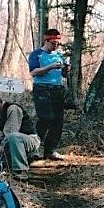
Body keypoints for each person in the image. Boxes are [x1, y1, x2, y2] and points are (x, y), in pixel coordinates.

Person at [28, 28, 69, 161]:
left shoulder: (59, 56)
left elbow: (62, 74)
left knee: (58, 121)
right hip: (41, 89)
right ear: (46, 41)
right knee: (46, 119)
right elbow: (33, 72)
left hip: (57, 89)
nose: (55, 45)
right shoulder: (36, 54)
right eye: (53, 43)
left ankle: (50, 151)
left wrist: (65, 70)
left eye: (57, 43)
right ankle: (33, 148)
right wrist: (50, 67)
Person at [0, 92, 41, 180]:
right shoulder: (0, 114)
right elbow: (4, 135)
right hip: (17, 142)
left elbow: (11, 132)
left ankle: (21, 170)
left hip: (30, 141)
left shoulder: (12, 108)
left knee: (14, 137)